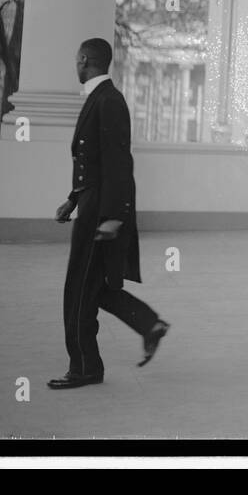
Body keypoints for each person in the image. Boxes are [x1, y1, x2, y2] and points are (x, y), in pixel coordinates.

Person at [48, 37, 168, 389]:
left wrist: (112, 217)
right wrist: (73, 198)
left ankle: (85, 368)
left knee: (79, 291)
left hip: (101, 215)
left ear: (84, 59)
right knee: (94, 288)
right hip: (92, 208)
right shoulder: (101, 98)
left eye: (76, 58)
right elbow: (94, 163)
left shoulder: (108, 101)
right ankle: (149, 325)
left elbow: (118, 164)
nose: (76, 64)